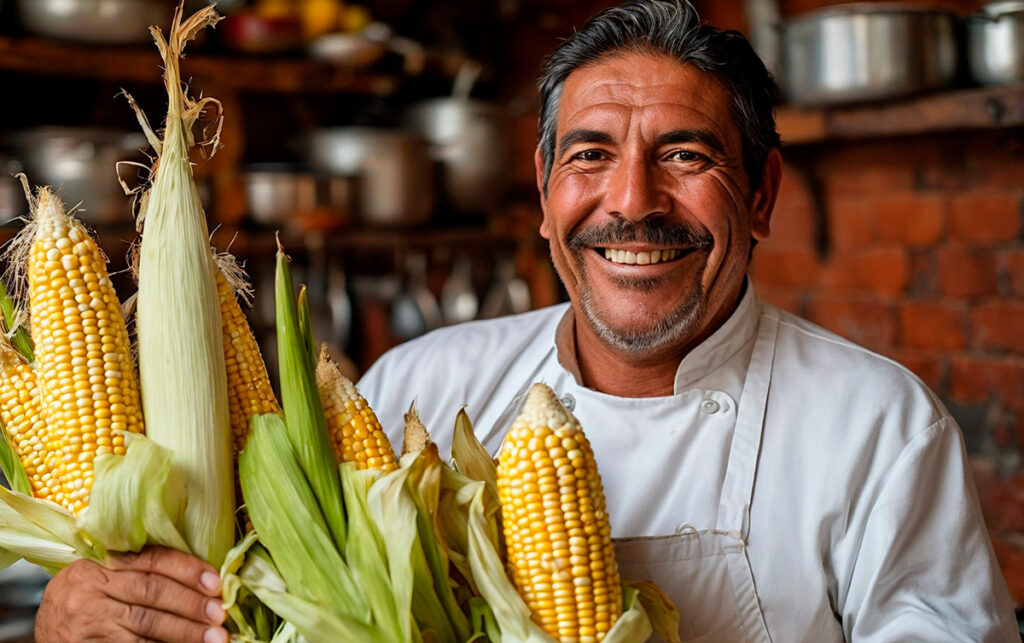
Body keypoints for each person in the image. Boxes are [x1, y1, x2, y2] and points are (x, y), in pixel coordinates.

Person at [35, 1, 1017, 641]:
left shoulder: (877, 426)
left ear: (759, 195)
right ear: (544, 195)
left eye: (683, 154)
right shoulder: (416, 392)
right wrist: (83, 612)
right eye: (589, 155)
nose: (632, 201)